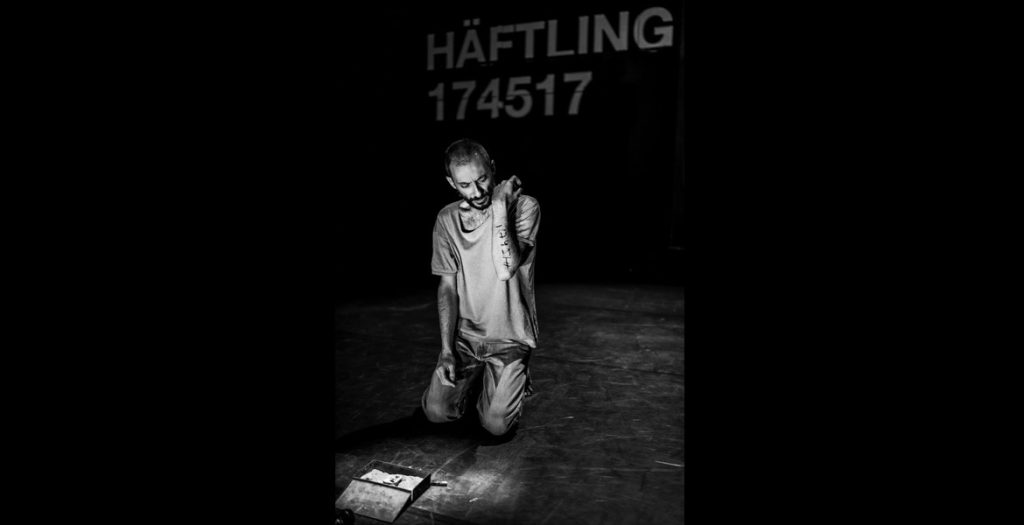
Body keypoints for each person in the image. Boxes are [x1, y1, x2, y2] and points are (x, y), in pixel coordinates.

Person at [421, 138, 541, 437]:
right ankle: (484, 381)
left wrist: (500, 207)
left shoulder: (525, 207)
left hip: (510, 338)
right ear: (452, 183)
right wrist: (447, 350)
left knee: (495, 425)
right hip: (466, 338)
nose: (476, 192)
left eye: (482, 179)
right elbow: (447, 288)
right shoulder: (446, 219)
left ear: (493, 169)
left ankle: (515, 377)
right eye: (465, 185)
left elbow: (505, 268)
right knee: (437, 412)